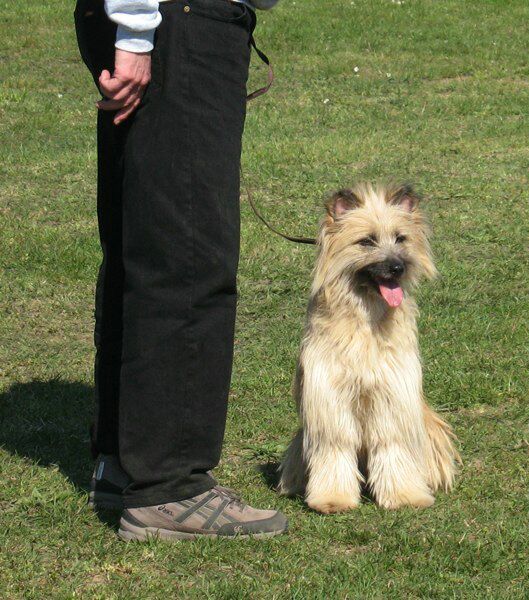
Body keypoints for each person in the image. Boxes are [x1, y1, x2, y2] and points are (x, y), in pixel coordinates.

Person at [74, 0, 287, 540]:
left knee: (144, 244)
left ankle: (124, 462)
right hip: (176, 26)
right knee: (188, 254)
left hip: (168, 25)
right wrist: (137, 34)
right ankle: (171, 484)